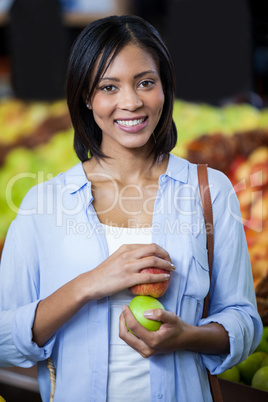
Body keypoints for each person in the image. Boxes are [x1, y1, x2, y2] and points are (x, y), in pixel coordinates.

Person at [0, 15, 263, 402]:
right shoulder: (44, 203)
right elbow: (6, 340)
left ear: (164, 87)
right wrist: (90, 283)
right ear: (86, 97)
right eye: (109, 86)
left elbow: (244, 319)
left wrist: (186, 337)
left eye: (145, 82)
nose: (132, 101)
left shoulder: (209, 191)